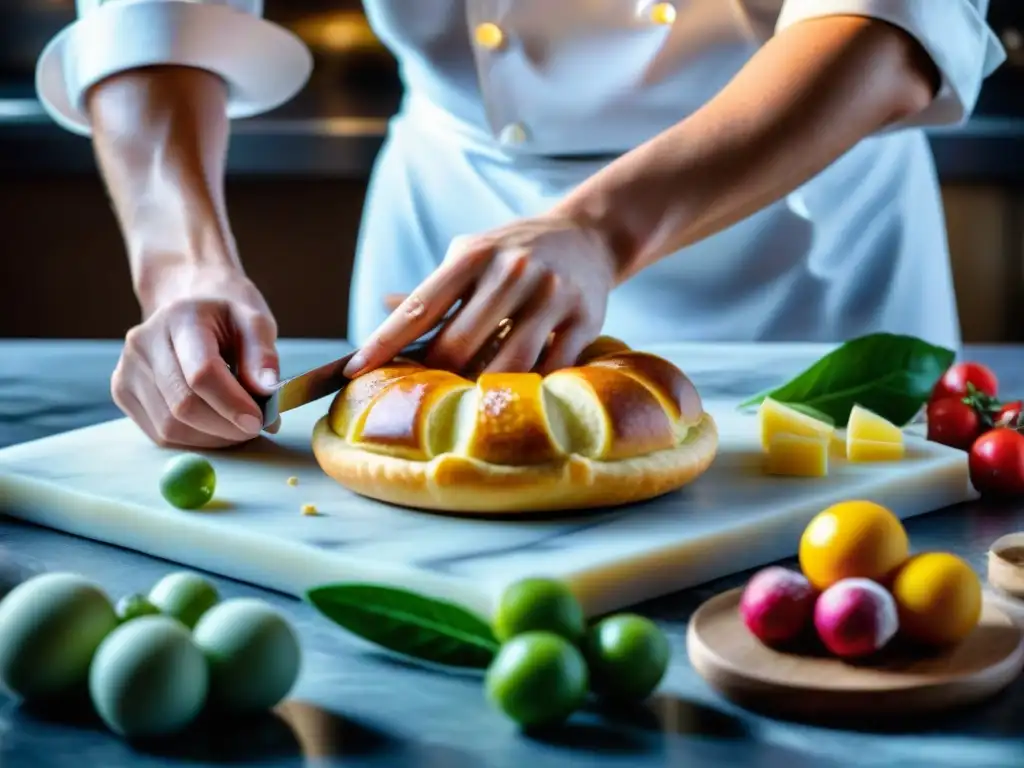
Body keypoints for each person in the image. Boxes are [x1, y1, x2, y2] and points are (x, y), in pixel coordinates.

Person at [36, 1, 1004, 449]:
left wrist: (600, 228)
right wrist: (184, 271)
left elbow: (892, 26)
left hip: (797, 234)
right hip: (456, 214)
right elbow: (152, 17)